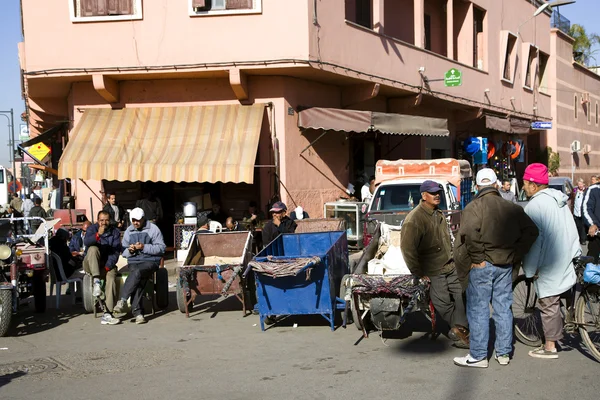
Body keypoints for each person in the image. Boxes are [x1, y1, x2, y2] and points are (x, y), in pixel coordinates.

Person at [453, 169, 538, 368]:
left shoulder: (473, 206)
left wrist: (478, 257)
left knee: (479, 310)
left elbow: (470, 234)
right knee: (503, 309)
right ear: (496, 185)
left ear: (477, 186)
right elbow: (532, 231)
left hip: (481, 265)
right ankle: (504, 353)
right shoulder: (512, 208)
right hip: (505, 264)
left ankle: (479, 356)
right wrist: (515, 254)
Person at [400, 180, 469, 349]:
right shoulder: (414, 219)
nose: (437, 195)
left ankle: (460, 329)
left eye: (438, 192)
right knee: (443, 303)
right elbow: (408, 249)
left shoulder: (438, 214)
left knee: (462, 294)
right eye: (432, 193)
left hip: (449, 265)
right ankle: (460, 330)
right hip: (432, 269)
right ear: (424, 196)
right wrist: (417, 272)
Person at [522, 163, 579, 359]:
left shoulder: (535, 206)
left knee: (548, 302)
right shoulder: (560, 201)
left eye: (524, 183)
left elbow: (534, 242)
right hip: (566, 256)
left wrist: (529, 269)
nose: (523, 187)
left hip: (549, 261)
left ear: (533, 185)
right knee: (561, 294)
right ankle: (568, 323)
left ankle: (550, 345)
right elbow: (572, 229)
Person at [113, 208, 166, 324]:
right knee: (138, 279)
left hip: (150, 261)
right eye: (133, 220)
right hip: (134, 261)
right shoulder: (128, 231)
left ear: (143, 219)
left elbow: (161, 248)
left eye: (138, 220)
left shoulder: (153, 229)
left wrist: (143, 247)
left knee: (136, 273)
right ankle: (138, 314)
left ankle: (122, 300)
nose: (135, 223)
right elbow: (124, 251)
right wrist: (130, 251)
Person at [83, 211, 122, 326]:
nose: (104, 223)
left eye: (106, 220)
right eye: (101, 220)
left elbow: (115, 253)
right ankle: (96, 281)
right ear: (97, 220)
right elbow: (86, 242)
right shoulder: (92, 229)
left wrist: (107, 267)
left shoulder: (115, 232)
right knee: (93, 249)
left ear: (109, 220)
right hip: (91, 264)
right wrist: (97, 235)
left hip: (105, 265)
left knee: (112, 276)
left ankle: (108, 313)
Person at [583, 176, 600, 260]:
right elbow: (586, 208)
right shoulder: (593, 189)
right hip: (597, 234)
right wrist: (593, 224)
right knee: (593, 263)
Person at [573, 178, 587, 245]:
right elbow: (572, 199)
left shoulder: (586, 191)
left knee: (583, 227)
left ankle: (583, 239)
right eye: (579, 184)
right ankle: (578, 239)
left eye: (581, 184)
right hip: (576, 212)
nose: (580, 185)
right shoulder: (575, 190)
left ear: (583, 184)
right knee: (577, 226)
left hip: (583, 212)